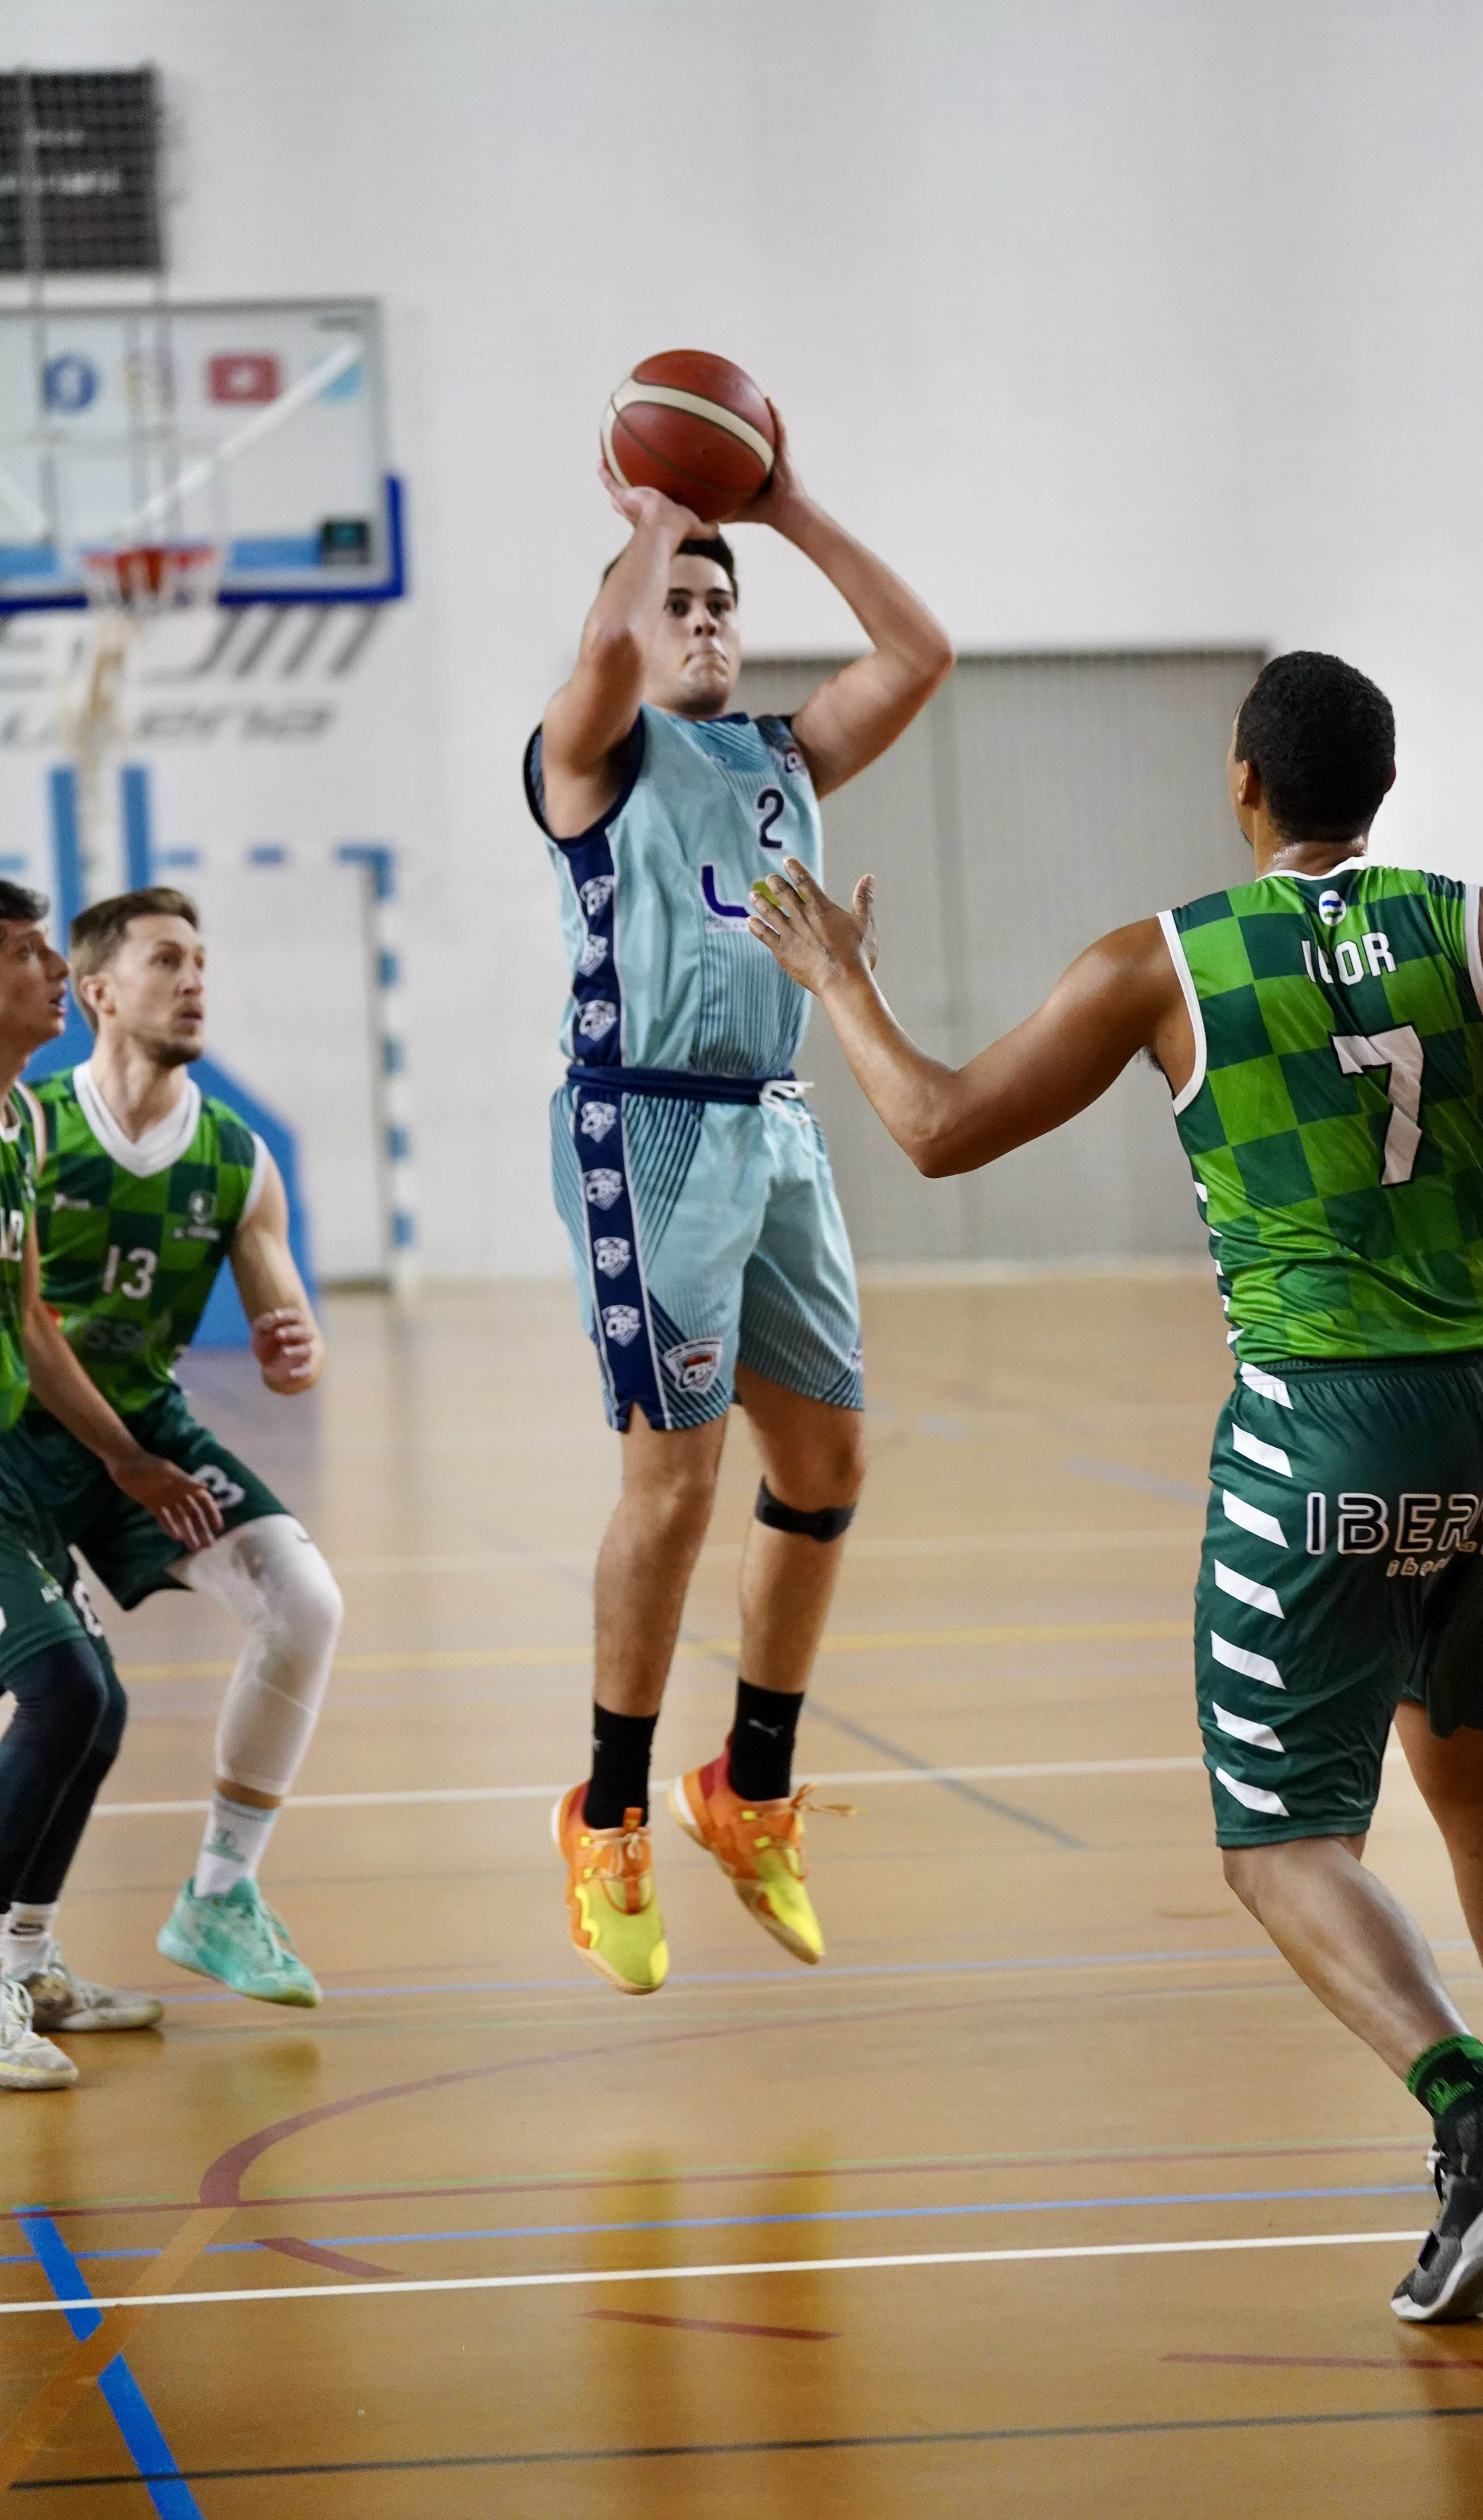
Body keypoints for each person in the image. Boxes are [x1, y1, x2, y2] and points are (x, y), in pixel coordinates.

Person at [743, 648, 1483, 2324]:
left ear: (1242, 785)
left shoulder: (1160, 962)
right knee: (1473, 1765)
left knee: (1279, 1839)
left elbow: (939, 1130)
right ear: (1381, 789)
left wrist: (837, 982)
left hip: (1327, 1424)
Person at [526, 408, 952, 1994]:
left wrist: (778, 505)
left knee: (828, 1466)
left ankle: (748, 1786)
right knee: (677, 1489)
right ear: (633, 626)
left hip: (776, 1127)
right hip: (647, 1133)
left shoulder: (784, 754)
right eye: (676, 607)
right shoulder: (593, 752)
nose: (704, 623)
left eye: (723, 607)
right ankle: (610, 1810)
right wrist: (653, 518)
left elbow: (918, 650)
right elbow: (598, 659)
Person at [14, 886, 343, 2007]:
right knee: (69, 1700)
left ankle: (217, 1895)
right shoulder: (34, 1125)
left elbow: (283, 1314)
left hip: (142, 1430)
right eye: (168, 961)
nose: (195, 980)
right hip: (26, 1428)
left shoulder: (236, 1156)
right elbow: (23, 1324)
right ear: (98, 992)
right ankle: (22, 1958)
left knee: (304, 1599)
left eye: (203, 960)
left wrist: (294, 1346)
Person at [0, 882, 223, 2091]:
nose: (50, 967)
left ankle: (26, 1958)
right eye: (27, 952)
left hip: (15, 1465)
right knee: (63, 1688)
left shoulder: (16, 1128)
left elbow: (33, 1319)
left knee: (98, 1709)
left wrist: (125, 1458)